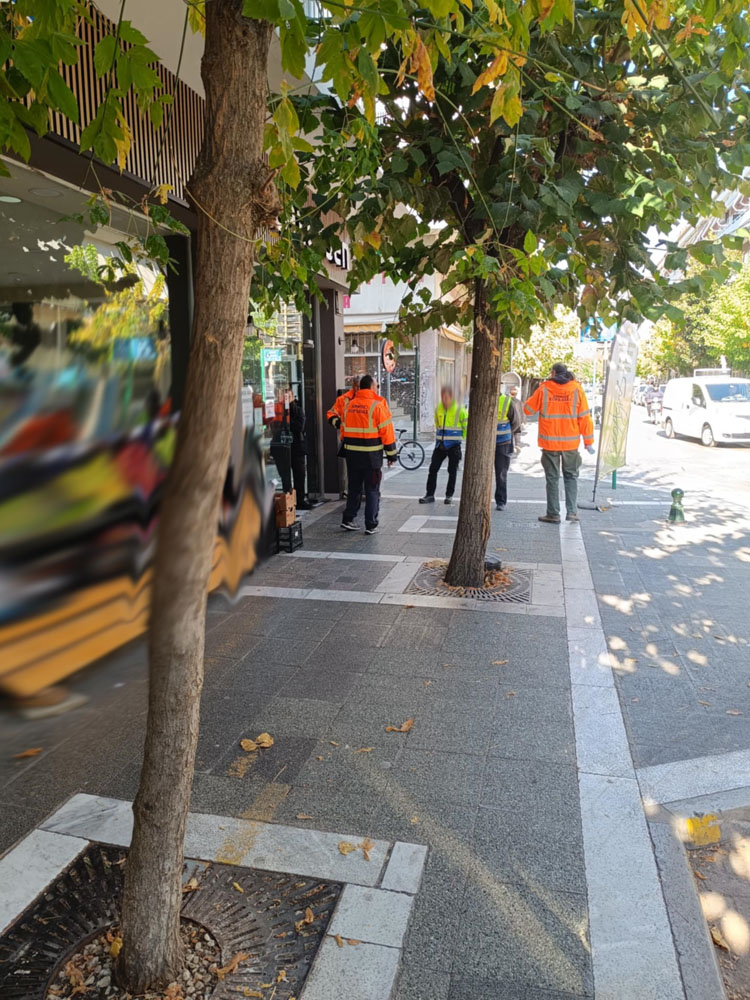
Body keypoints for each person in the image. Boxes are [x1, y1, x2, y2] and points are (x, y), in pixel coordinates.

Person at [523, 362, 594, 523]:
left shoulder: (544, 388)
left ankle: (553, 513)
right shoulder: (576, 389)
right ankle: (572, 512)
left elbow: (528, 410)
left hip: (550, 444)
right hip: (570, 444)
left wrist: (531, 397)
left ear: (553, 373)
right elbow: (585, 418)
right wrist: (588, 441)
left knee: (552, 478)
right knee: (571, 477)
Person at [334, 374, 397, 534]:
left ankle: (348, 519)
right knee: (372, 490)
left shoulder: (349, 406)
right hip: (371, 457)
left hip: (352, 456)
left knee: (354, 488)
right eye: (376, 385)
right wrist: (391, 455)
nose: (377, 388)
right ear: (371, 387)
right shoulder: (377, 406)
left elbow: (343, 430)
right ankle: (370, 524)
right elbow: (387, 432)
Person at [420, 386, 468, 505]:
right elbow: (438, 425)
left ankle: (449, 496)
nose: (444, 399)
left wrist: (459, 439)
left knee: (452, 471)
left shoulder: (460, 410)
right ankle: (429, 495)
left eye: (446, 397)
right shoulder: (439, 409)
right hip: (440, 446)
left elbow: (466, 427)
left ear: (451, 397)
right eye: (442, 397)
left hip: (454, 446)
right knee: (433, 469)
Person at [495, 390, 521, 511]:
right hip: (497, 442)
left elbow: (516, 422)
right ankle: (499, 501)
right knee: (499, 473)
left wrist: (508, 434)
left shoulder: (506, 401)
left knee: (501, 473)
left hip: (503, 442)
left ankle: (501, 501)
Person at [508, 385, 525, 453]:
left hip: (513, 419)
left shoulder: (511, 400)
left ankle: (514, 446)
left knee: (513, 433)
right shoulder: (517, 401)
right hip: (516, 419)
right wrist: (523, 421)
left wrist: (523, 421)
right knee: (516, 433)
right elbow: (522, 412)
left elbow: (522, 411)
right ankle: (516, 445)